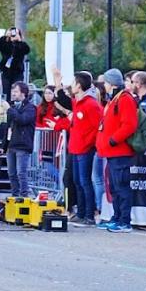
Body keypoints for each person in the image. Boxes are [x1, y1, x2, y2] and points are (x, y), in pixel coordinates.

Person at [50, 71, 102, 225]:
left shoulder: (91, 104)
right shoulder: (78, 102)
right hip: (75, 147)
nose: (71, 86)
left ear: (79, 86)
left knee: (85, 182)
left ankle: (89, 214)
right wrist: (57, 82)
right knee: (77, 181)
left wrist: (89, 144)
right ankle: (81, 212)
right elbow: (64, 100)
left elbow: (97, 126)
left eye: (73, 83)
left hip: (85, 148)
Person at [95, 68, 138, 233]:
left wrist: (113, 140)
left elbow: (129, 125)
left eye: (105, 82)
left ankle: (124, 221)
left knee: (121, 186)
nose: (104, 85)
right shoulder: (115, 99)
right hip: (112, 152)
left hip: (119, 151)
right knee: (115, 187)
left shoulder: (124, 99)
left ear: (112, 83)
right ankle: (117, 216)